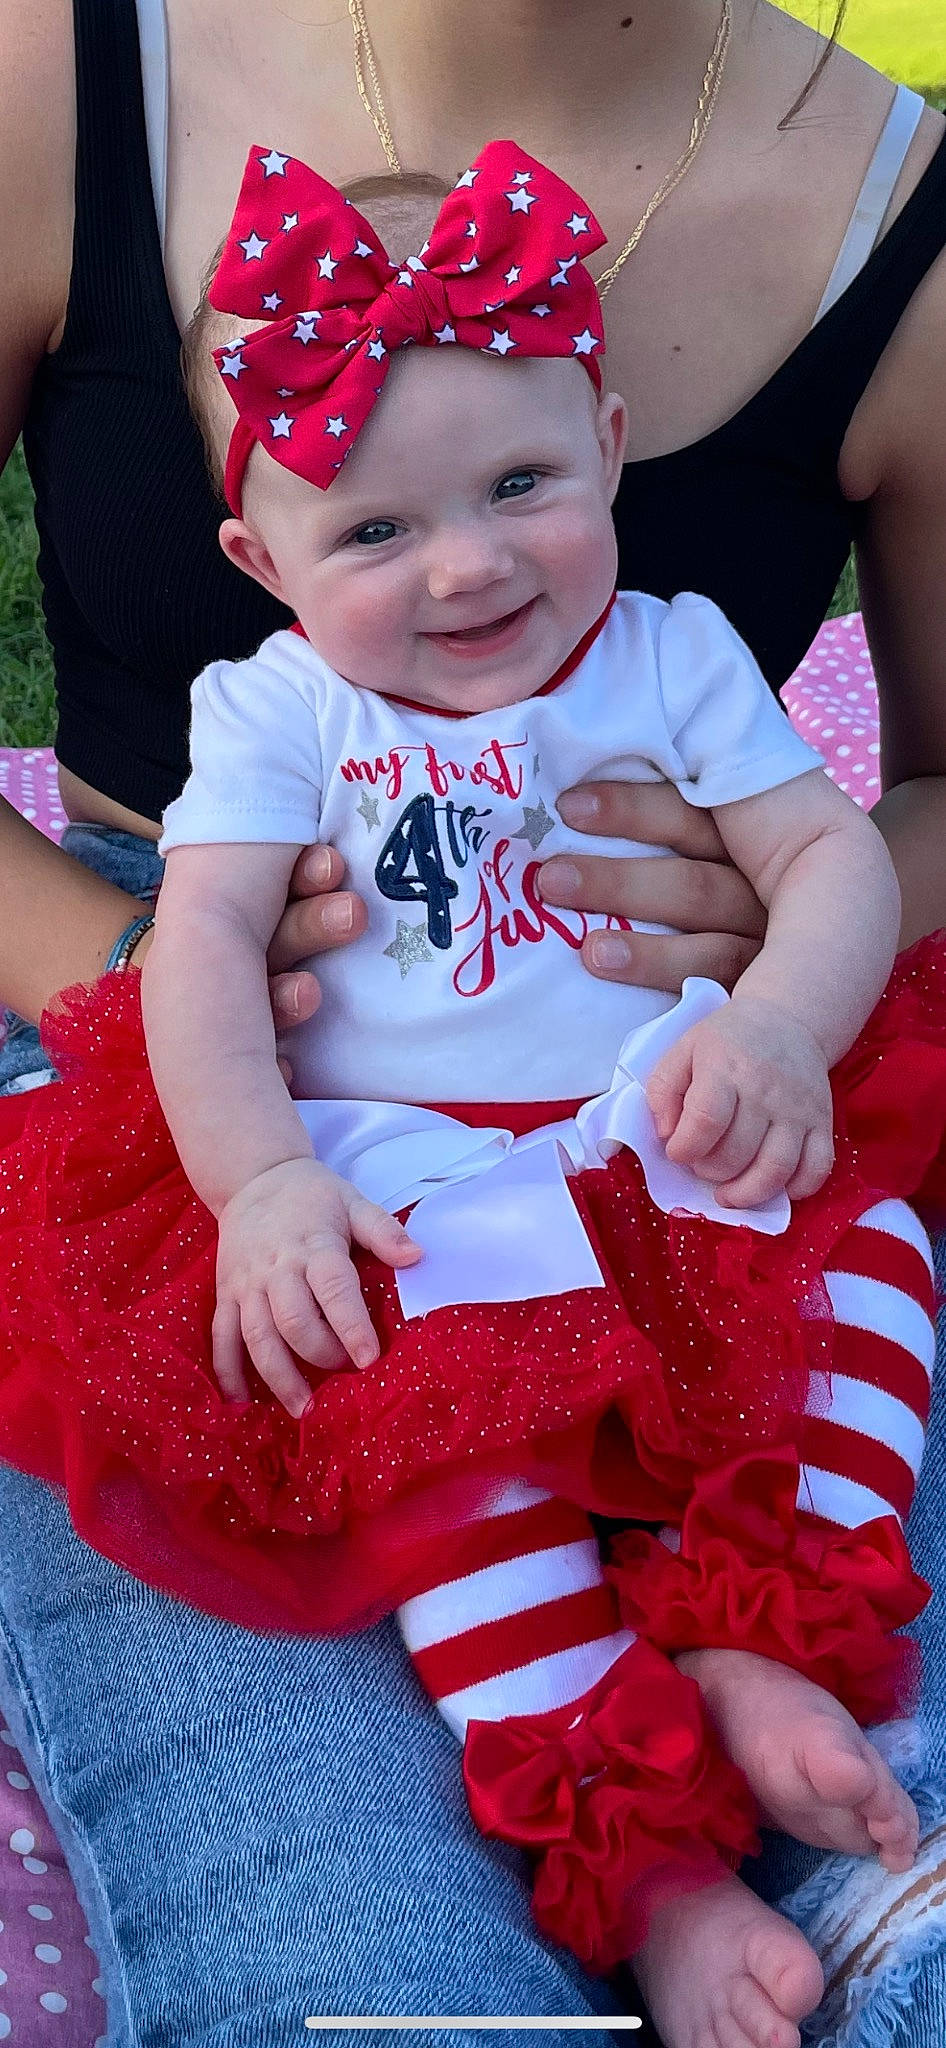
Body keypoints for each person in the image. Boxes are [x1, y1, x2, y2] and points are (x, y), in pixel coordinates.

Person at [0, 2, 945, 2043]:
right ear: (261, 561)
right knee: (421, 1522)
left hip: (678, 1084)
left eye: (520, 483)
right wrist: (236, 1156)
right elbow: (211, 939)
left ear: (607, 452)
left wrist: (778, 1005)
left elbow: (862, 837)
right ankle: (649, 1864)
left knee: (867, 1273)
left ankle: (763, 1642)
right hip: (326, 1136)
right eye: (370, 531)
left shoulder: (674, 646)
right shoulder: (268, 711)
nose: (465, 571)